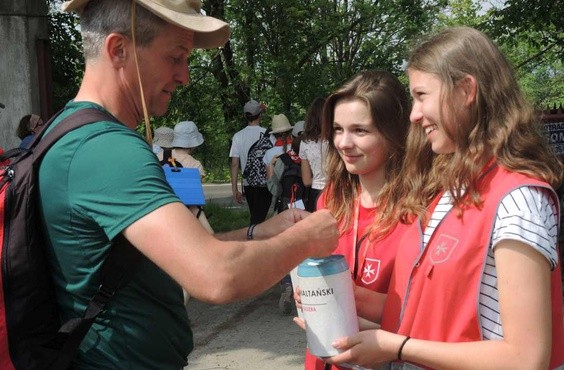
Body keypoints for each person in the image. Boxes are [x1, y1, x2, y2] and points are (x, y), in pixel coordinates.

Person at [39, 1, 339, 368]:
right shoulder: (108, 150)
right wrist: (309, 237)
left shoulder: (67, 132)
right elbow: (216, 275)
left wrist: (260, 233)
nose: (185, 76)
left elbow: (167, 254)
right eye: (175, 57)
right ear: (119, 50)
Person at [326, 26, 564, 370]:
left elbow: (525, 358)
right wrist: (352, 314)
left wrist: (398, 346)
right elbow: (433, 315)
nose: (413, 114)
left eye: (422, 95)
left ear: (465, 90)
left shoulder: (518, 200)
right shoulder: (453, 191)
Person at [300, 70, 414, 370]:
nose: (344, 143)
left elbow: (426, 313)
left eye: (360, 131)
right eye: (337, 129)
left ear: (394, 133)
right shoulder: (331, 200)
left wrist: (348, 298)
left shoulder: (420, 210)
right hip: (324, 357)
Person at [229, 99, 273, 224]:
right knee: (258, 219)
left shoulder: (238, 136)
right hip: (265, 183)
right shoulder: (268, 134)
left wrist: (234, 189)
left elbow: (234, 164)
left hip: (248, 183)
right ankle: (252, 238)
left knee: (255, 216)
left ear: (245, 116)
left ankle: (252, 237)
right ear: (260, 114)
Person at [299, 97, 327, 212]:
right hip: (337, 192)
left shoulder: (305, 143)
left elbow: (306, 181)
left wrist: (318, 179)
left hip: (316, 194)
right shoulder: (337, 140)